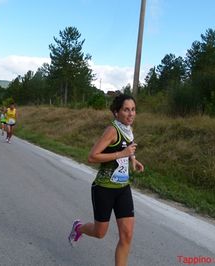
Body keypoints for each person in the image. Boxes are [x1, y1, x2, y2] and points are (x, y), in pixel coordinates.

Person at [68, 94, 144, 266]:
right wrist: (121, 154)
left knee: (127, 235)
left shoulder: (127, 128)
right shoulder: (112, 130)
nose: (131, 114)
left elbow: (127, 148)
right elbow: (92, 157)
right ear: (116, 112)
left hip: (123, 188)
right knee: (100, 232)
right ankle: (78, 228)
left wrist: (133, 160)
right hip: (104, 188)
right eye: (126, 110)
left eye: (133, 109)